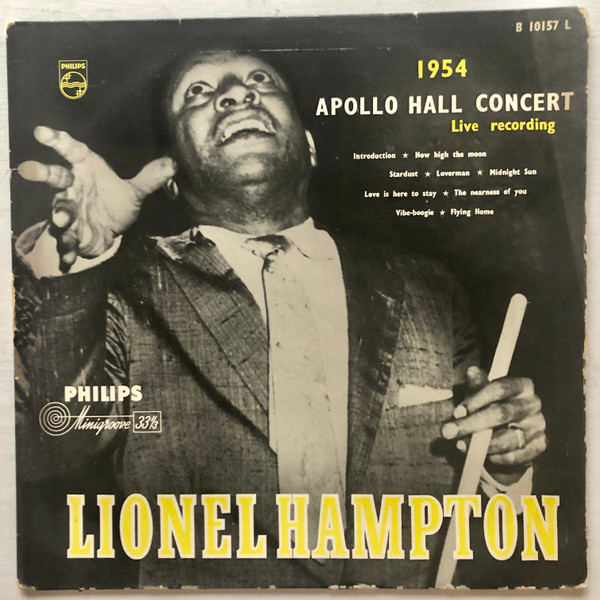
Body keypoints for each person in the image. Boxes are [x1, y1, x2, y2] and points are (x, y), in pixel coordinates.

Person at [15, 51, 547, 589]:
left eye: (261, 80)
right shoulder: (118, 285)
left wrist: (504, 464)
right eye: (198, 92)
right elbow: (53, 440)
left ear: (309, 146)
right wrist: (76, 258)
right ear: (170, 174)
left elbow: (479, 498)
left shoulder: (430, 287)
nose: (236, 92)